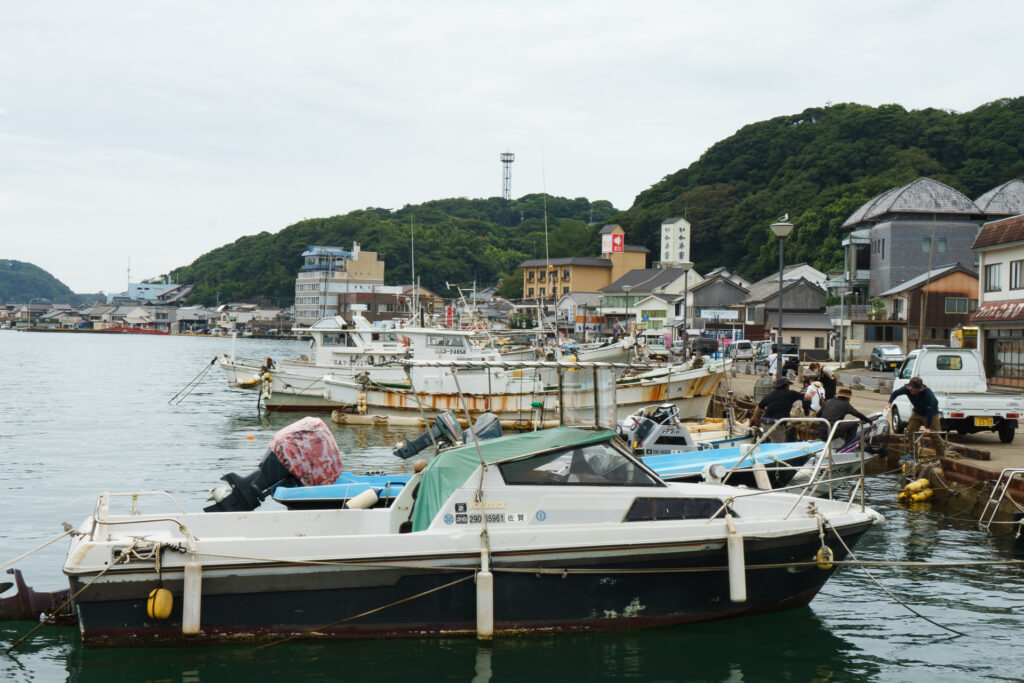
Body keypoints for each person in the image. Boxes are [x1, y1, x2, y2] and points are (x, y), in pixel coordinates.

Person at [887, 376, 944, 458]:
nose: (911, 391)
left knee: (935, 434)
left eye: (913, 389)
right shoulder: (906, 389)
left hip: (931, 413)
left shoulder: (927, 394)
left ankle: (941, 456)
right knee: (910, 430)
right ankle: (912, 453)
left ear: (918, 389)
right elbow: (895, 393)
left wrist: (927, 427)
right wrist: (889, 403)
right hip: (917, 411)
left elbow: (929, 411)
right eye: (910, 388)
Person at [751, 377, 804, 442]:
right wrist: (812, 394)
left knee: (769, 440)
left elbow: (758, 407)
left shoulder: (771, 394)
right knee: (778, 445)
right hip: (777, 425)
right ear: (787, 386)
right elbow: (807, 397)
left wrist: (754, 417)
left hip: (764, 424)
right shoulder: (791, 393)